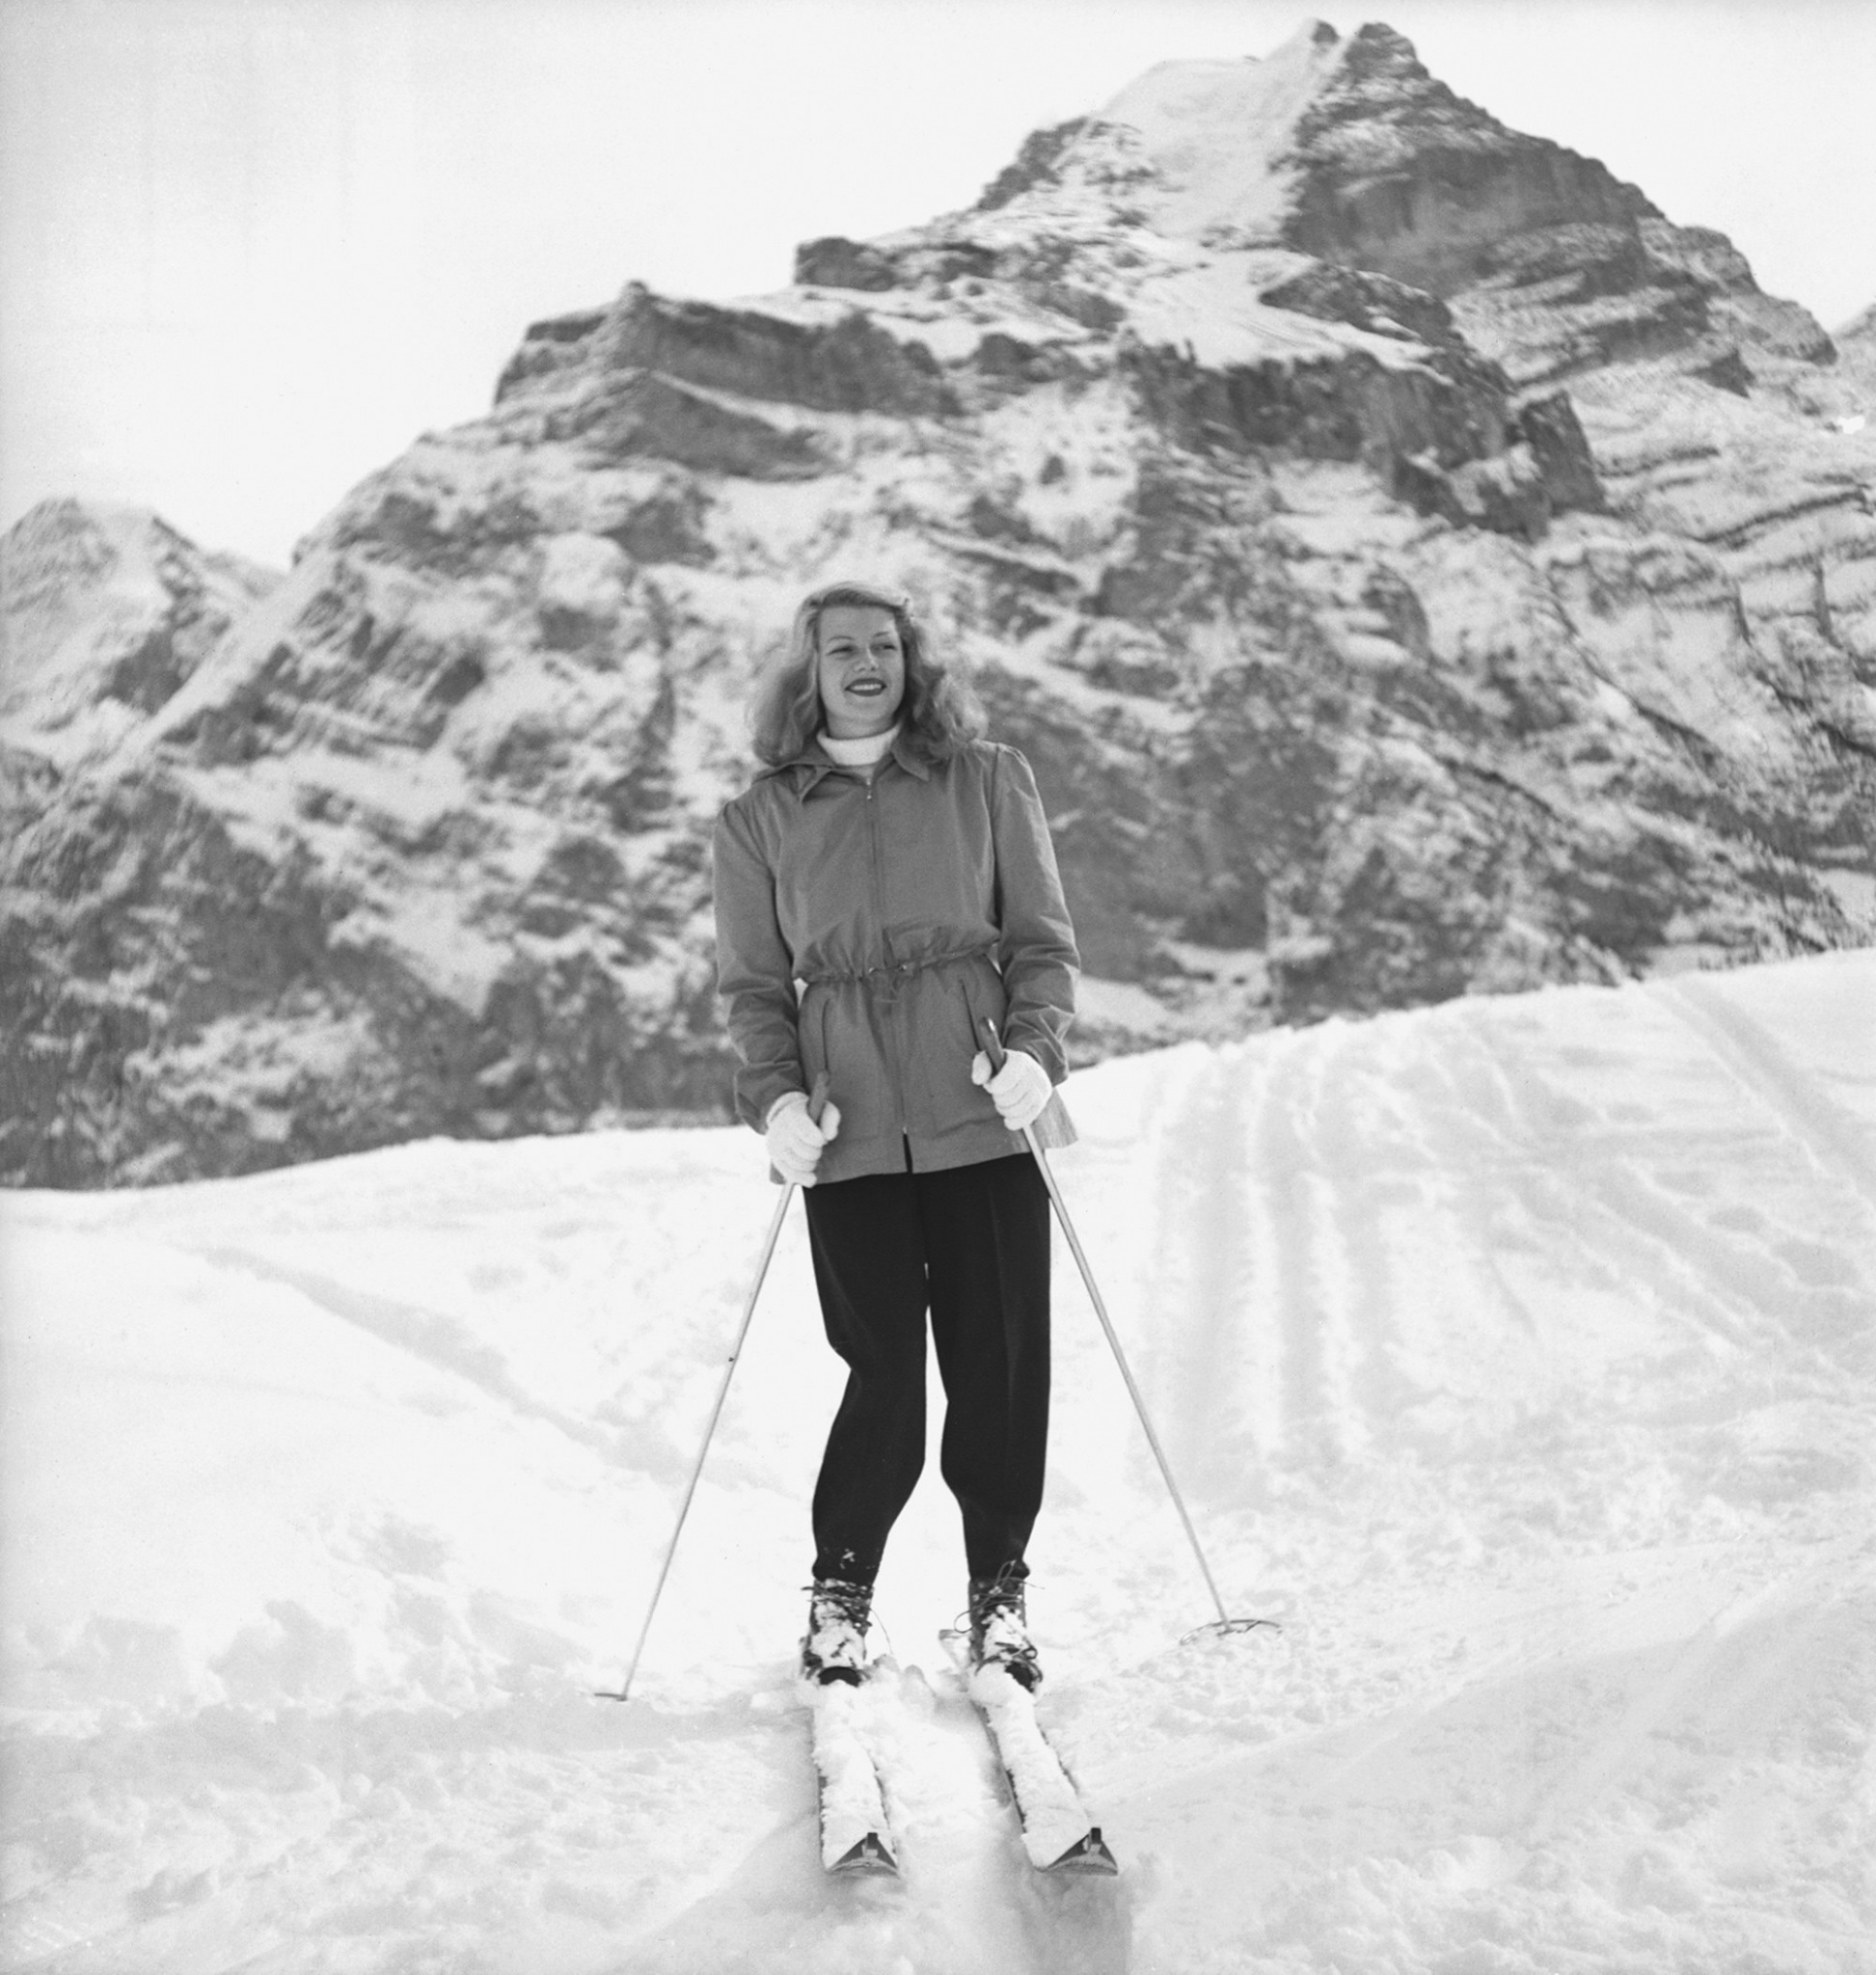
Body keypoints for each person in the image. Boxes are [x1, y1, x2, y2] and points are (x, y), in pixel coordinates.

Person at [711, 579, 1079, 1692]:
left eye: (885, 645)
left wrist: (1033, 1055)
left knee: (1001, 1367)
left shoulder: (986, 778)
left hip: (985, 1112)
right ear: (806, 673)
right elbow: (752, 989)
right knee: (883, 1375)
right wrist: (777, 1104)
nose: (867, 663)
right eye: (841, 650)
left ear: (914, 663)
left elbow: (1043, 943)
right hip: (849, 1130)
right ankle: (841, 1598)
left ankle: (997, 1598)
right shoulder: (760, 818)